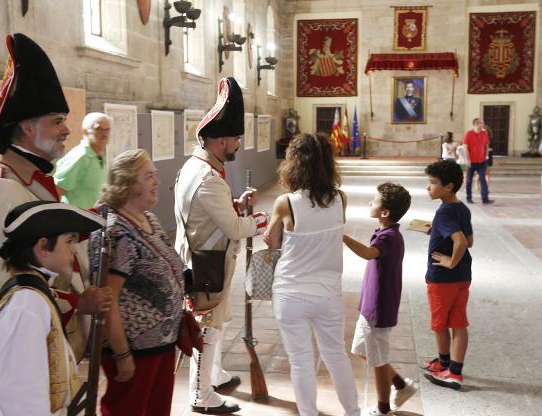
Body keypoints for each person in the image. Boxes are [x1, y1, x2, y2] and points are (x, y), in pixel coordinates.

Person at [0, 33, 110, 359]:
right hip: (26, 346)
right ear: (28, 128)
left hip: (51, 333)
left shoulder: (32, 182)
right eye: (56, 121)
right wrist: (77, 302)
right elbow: (4, 289)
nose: (66, 130)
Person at [174, 77, 269, 414]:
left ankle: (213, 374)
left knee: (216, 320)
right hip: (208, 262)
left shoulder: (196, 168)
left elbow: (213, 212)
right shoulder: (209, 179)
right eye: (235, 140)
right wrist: (259, 221)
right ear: (219, 140)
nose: (237, 145)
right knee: (208, 327)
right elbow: (233, 227)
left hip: (201, 257)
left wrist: (236, 202)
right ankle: (202, 395)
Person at [264, 133, 360, 416]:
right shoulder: (340, 199)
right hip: (327, 293)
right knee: (336, 356)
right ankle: (352, 412)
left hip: (290, 293)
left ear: (294, 163)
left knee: (301, 361)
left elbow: (272, 241)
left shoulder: (286, 203)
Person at [0, 201, 106, 415]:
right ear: (42, 247)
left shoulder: (34, 294)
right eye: (69, 241)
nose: (74, 248)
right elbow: (21, 396)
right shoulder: (26, 304)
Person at [92, 149, 185, 416]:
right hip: (135, 350)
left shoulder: (149, 219)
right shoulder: (116, 232)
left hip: (160, 344)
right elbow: (107, 301)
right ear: (128, 184)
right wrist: (123, 356)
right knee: (127, 410)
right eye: (149, 176)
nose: (157, 181)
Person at [343, 183, 418, 416]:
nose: (370, 203)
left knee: (377, 358)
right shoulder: (387, 233)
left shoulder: (389, 237)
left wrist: (342, 237)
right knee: (364, 350)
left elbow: (368, 253)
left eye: (374, 201)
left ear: (385, 212)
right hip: (371, 305)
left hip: (378, 308)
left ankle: (383, 409)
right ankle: (399, 384)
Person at [422, 160, 473, 391]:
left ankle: (444, 366)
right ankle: (455, 371)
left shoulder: (443, 212)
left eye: (432, 183)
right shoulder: (462, 208)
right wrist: (437, 232)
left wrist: (449, 261)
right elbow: (469, 240)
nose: (428, 187)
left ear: (448, 186)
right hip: (463, 277)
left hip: (443, 279)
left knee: (440, 324)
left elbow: (460, 241)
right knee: (459, 323)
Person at [54, 112, 112, 209]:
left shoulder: (100, 155)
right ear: (85, 131)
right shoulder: (80, 156)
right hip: (77, 221)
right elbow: (56, 192)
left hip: (96, 220)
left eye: (107, 129)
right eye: (98, 128)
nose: (105, 133)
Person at [463, 118, 494, 204]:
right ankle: (469, 198)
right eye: (481, 123)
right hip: (471, 162)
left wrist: (486, 155)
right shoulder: (469, 134)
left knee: (483, 179)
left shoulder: (484, 133)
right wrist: (467, 159)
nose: (483, 124)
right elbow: (465, 147)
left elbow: (487, 145)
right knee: (469, 180)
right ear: (476, 124)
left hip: (482, 161)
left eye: (482, 123)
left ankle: (485, 199)